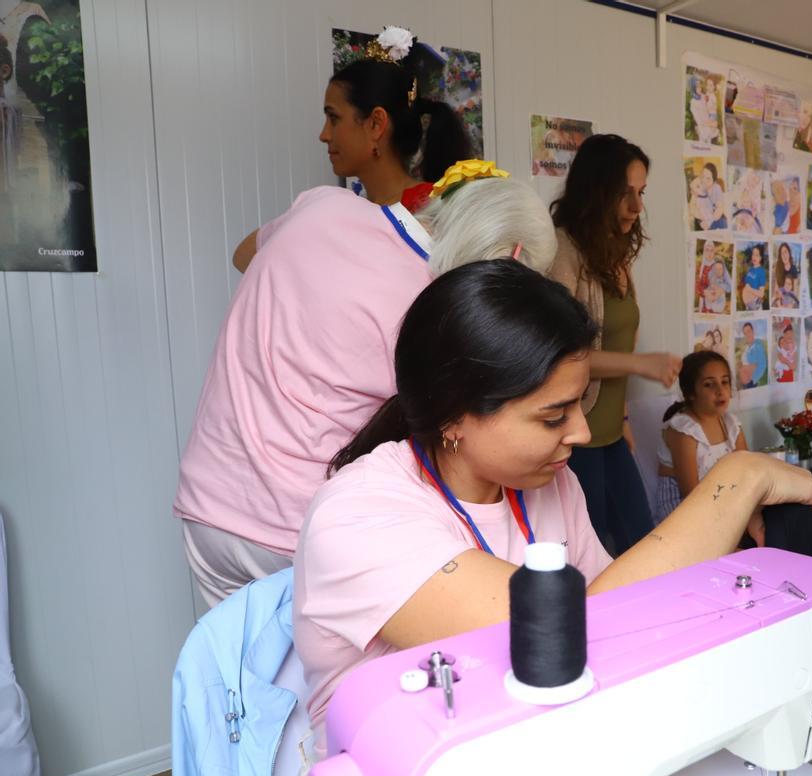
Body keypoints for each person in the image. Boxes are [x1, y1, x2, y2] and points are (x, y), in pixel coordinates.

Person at [293, 260, 812, 754]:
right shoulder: (358, 515)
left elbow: (625, 612)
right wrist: (737, 479)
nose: (583, 432)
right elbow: (575, 631)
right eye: (554, 417)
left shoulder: (551, 483)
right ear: (453, 415)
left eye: (581, 403)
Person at [175, 168, 555, 607]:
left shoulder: (323, 205)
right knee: (324, 675)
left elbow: (246, 253)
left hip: (207, 503)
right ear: (507, 261)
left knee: (229, 667)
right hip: (295, 527)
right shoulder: (434, 314)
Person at [230, 27, 471, 272]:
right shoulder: (338, 211)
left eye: (334, 118)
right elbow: (244, 255)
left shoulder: (434, 213)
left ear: (376, 124)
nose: (324, 135)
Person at [548, 133, 683, 556]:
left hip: (609, 435)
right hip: (577, 441)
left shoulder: (616, 255)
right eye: (624, 194)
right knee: (594, 559)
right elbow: (561, 356)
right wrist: (641, 364)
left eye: (641, 193)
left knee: (640, 547)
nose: (637, 207)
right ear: (596, 192)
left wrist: (623, 415)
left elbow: (616, 333)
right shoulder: (562, 253)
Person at [654, 351, 748, 522]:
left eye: (724, 382)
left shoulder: (731, 424)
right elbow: (691, 494)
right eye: (708, 385)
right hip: (685, 509)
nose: (720, 391)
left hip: (719, 500)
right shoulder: (683, 430)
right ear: (690, 393)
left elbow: (745, 472)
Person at [737, 322, 767, 389]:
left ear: (753, 331)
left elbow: (762, 365)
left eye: (748, 331)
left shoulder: (758, 345)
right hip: (745, 383)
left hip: (751, 384)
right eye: (745, 333)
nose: (747, 335)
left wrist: (753, 379)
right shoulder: (747, 347)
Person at [739, 243, 768, 310]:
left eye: (757, 255)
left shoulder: (761, 272)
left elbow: (761, 294)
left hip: (755, 305)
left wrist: (749, 289)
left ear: (760, 258)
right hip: (748, 306)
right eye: (753, 254)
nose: (754, 257)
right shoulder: (750, 269)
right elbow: (747, 285)